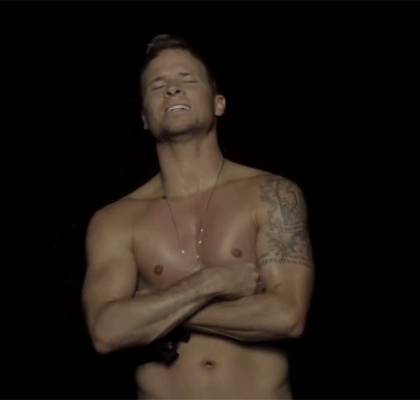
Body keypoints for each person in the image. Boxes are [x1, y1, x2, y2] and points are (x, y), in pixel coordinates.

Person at [82, 34, 315, 399]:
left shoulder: (272, 193)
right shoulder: (115, 221)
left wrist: (150, 311)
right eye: (157, 85)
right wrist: (209, 283)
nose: (172, 89)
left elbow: (287, 315)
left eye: (187, 79)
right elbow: (106, 332)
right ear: (144, 118)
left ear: (218, 103)